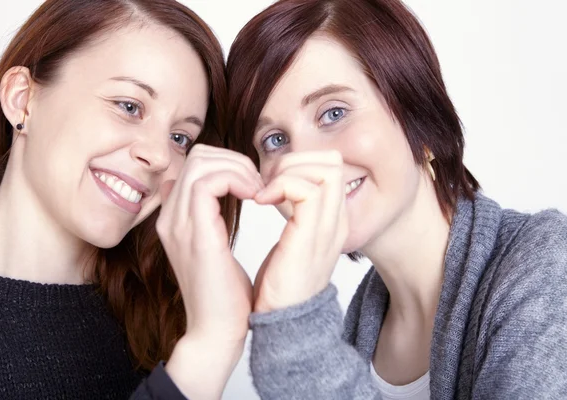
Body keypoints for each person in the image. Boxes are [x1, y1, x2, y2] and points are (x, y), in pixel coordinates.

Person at [225, 0, 567, 398]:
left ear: (417, 115)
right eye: (275, 140)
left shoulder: (547, 266)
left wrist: (292, 327)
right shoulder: (351, 336)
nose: (305, 164)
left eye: (333, 113)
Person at [0, 0, 262, 399]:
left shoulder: (159, 317)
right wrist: (210, 347)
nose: (160, 157)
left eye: (180, 138)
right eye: (129, 107)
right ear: (23, 99)